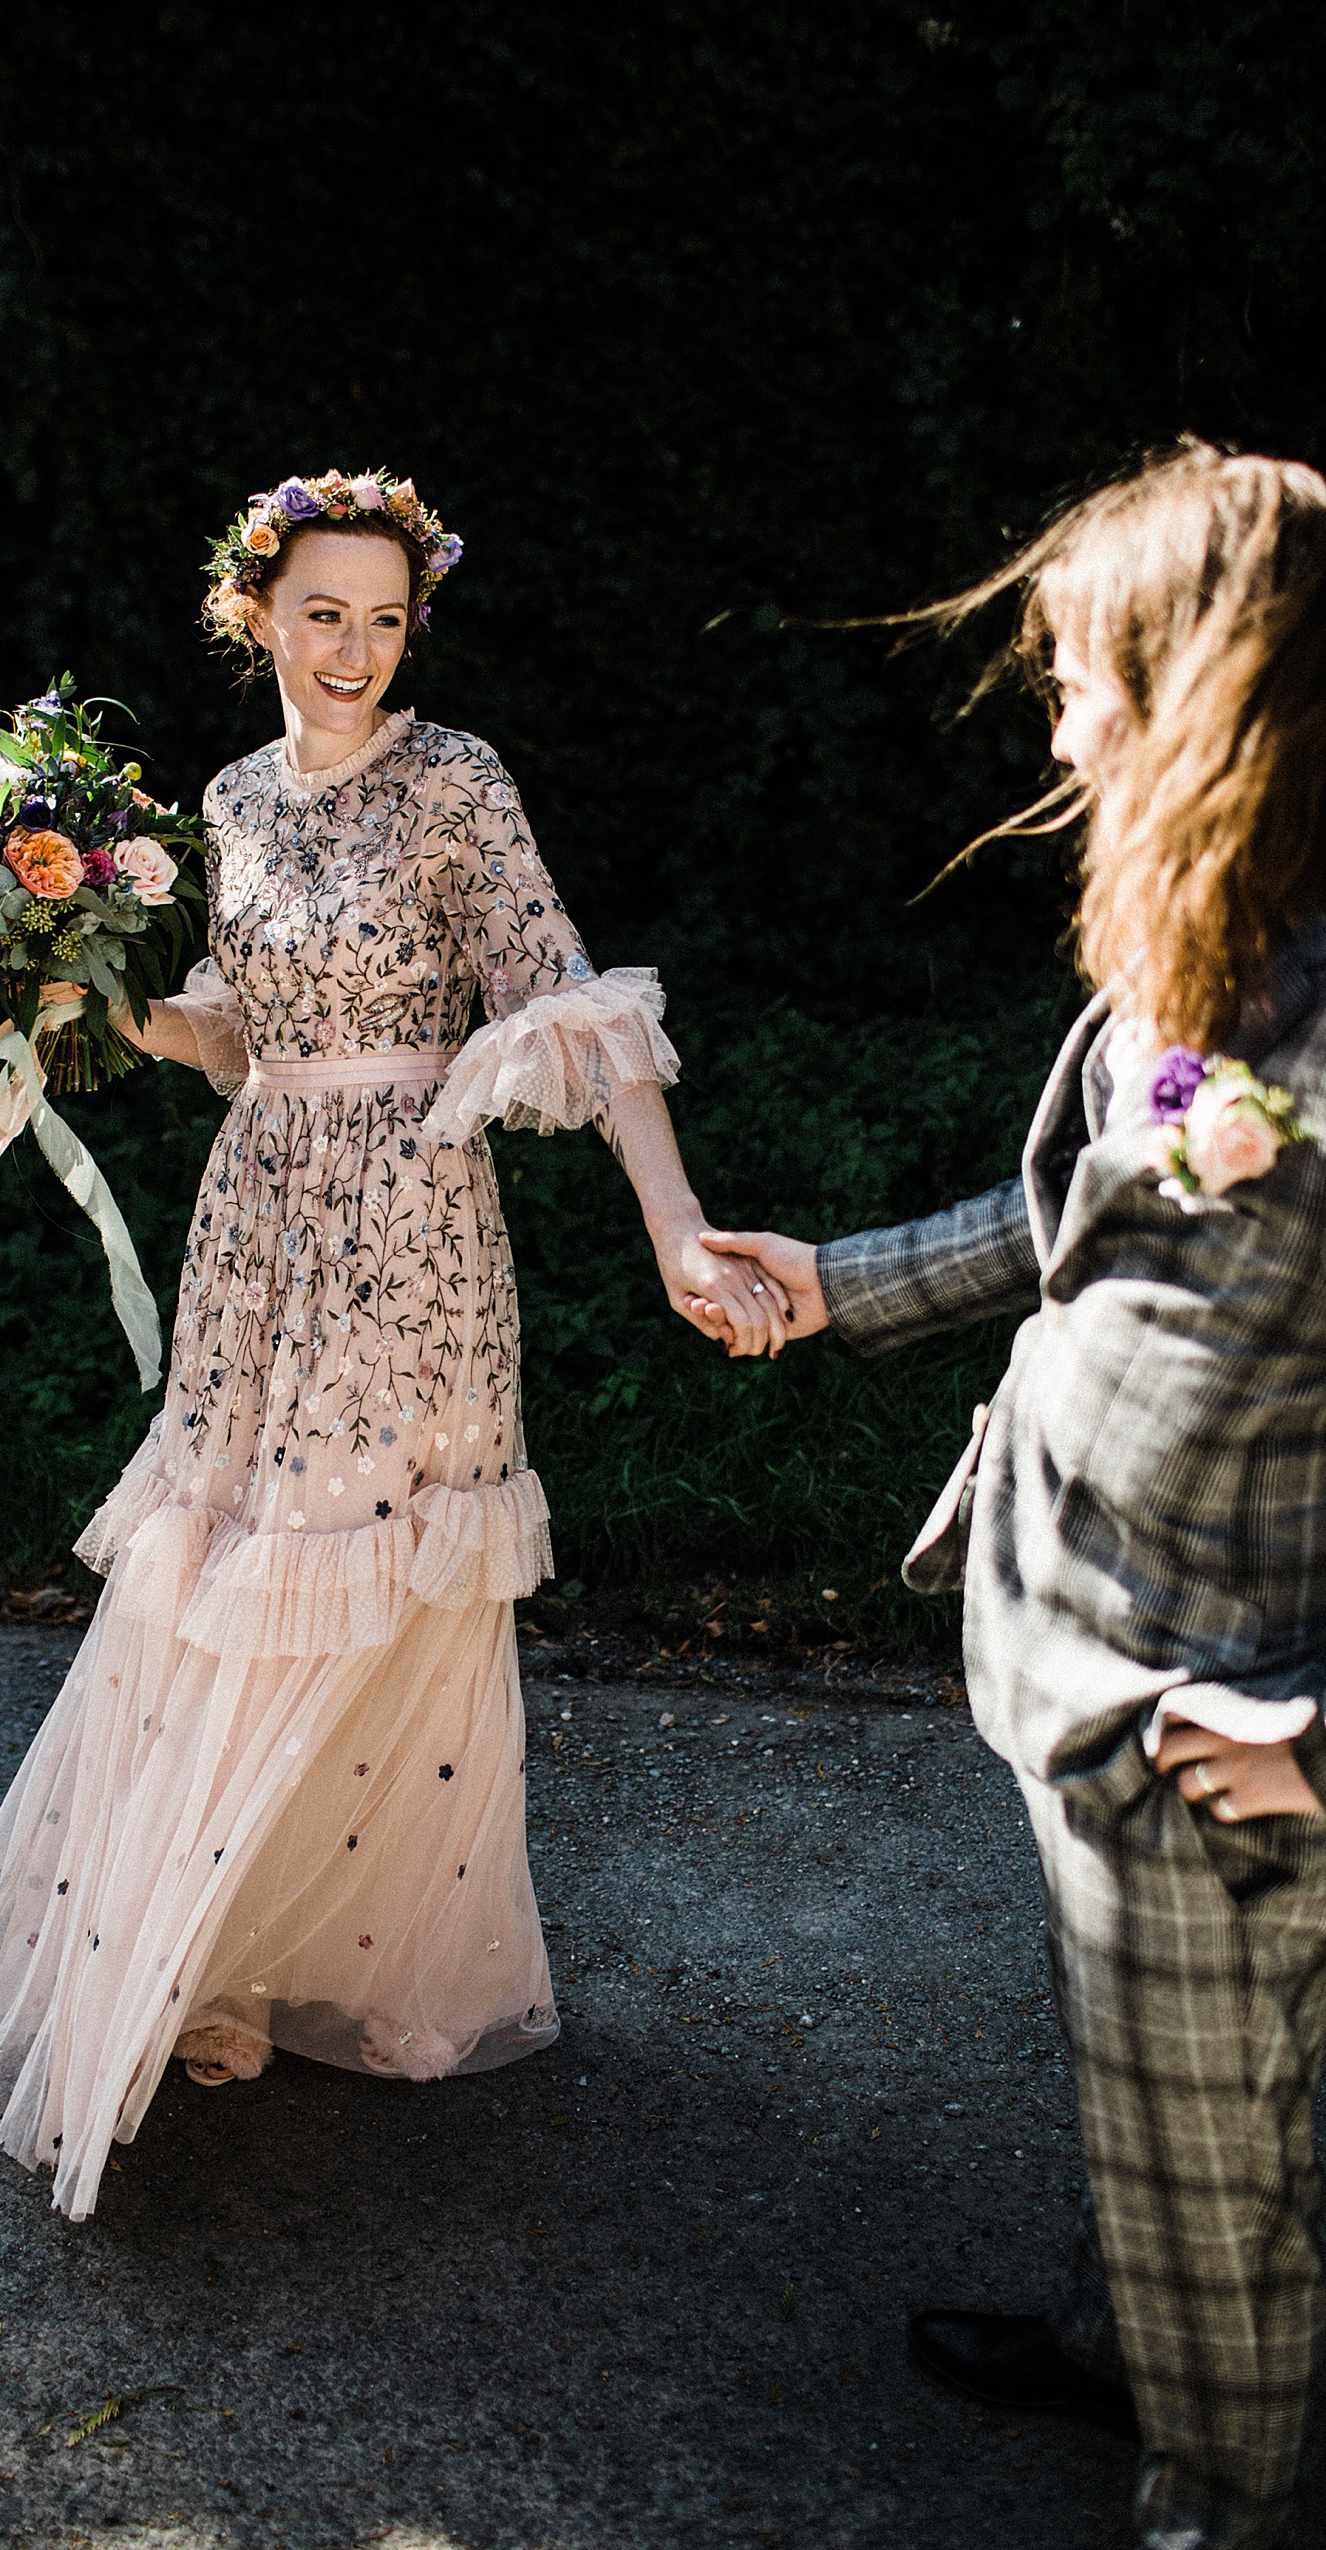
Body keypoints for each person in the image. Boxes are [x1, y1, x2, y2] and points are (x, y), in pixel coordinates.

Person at [0, 466, 784, 2221]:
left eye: (387, 618)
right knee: (229, 1571)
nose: (358, 648)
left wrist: (675, 1219)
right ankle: (208, 1956)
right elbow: (239, 1031)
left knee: (370, 1584)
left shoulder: (459, 783)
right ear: (256, 613)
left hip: (415, 1234)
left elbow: (573, 1005)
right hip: (258, 1231)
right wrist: (95, 998)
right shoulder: (227, 799)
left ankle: (356, 1959)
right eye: (325, 612)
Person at [697, 443, 1326, 2550]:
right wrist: (828, 1289)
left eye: (1083, 677)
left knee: (1223, 2157)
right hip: (1084, 1652)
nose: (1056, 723)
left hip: (1223, 1717)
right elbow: (1073, 1217)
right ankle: (1129, 2330)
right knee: (1177, 2115)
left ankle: (1217, 2494)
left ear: (1211, 680)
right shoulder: (1212, 937)